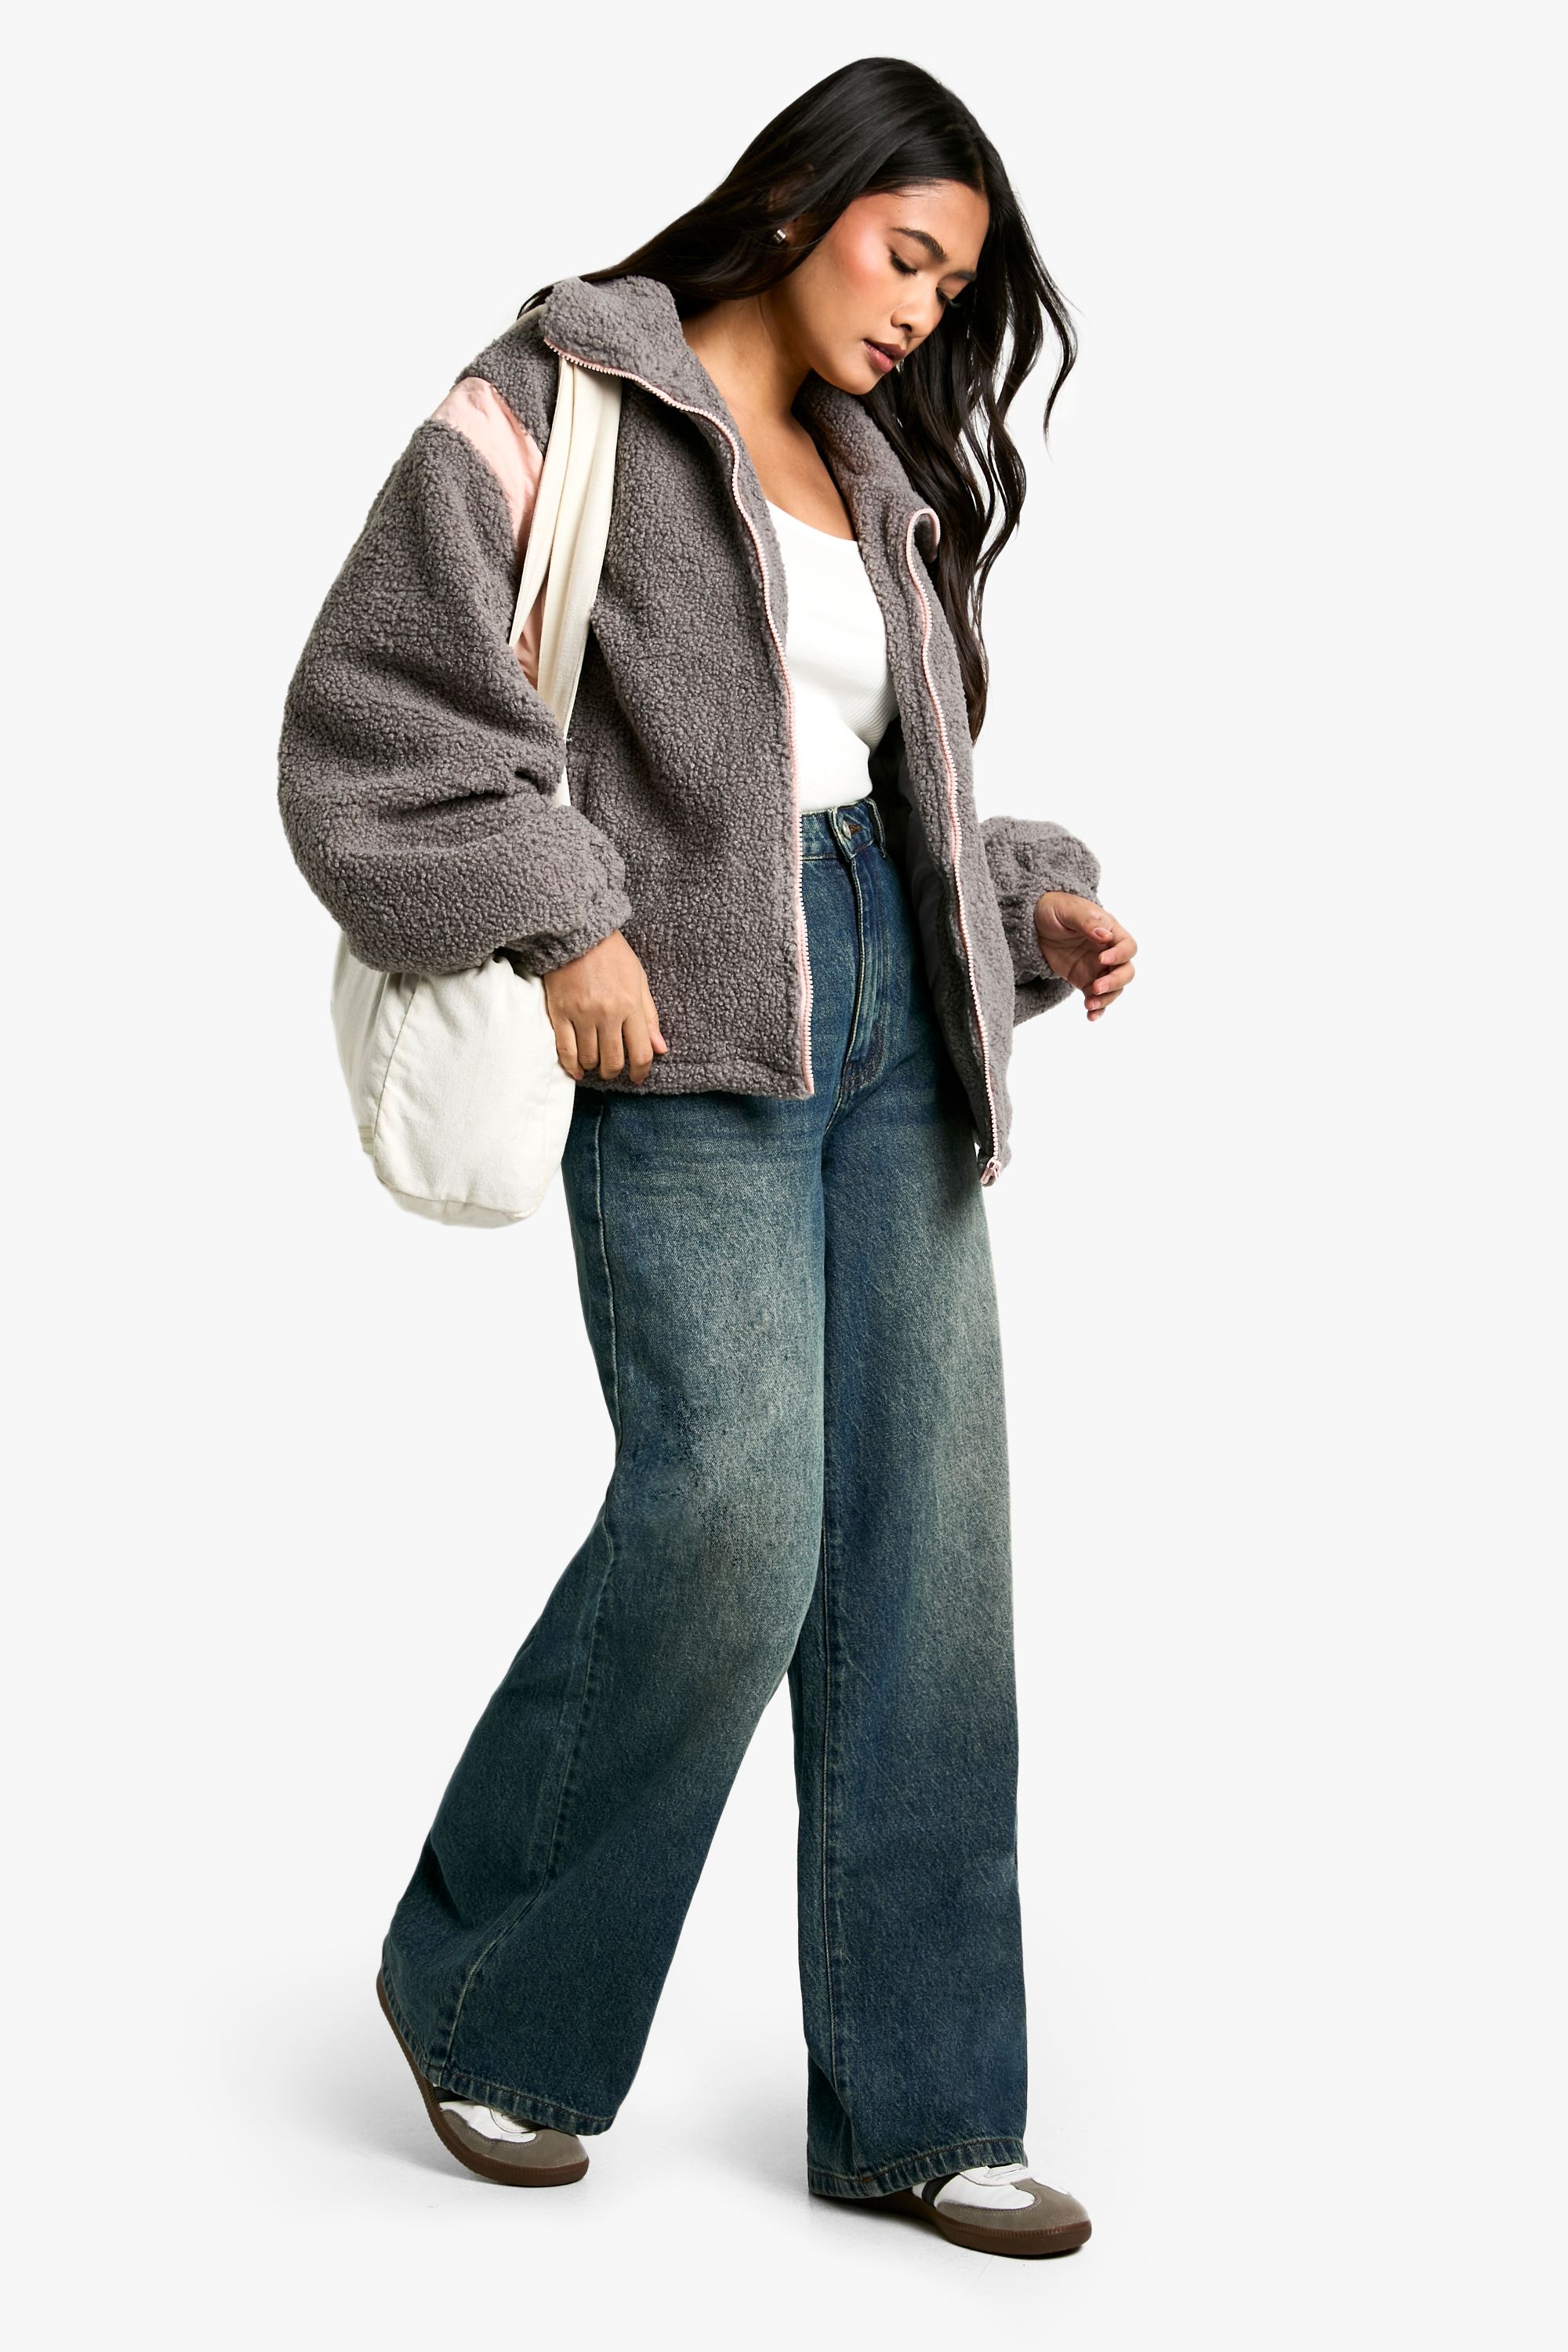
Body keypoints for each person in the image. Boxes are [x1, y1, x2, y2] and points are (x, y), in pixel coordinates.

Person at [278, 55, 1137, 2259]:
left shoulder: (877, 468)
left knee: (928, 1558)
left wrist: (1023, 901)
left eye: (955, 289)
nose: (924, 311)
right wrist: (560, 913)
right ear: (798, 202)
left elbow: (865, 780)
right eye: (908, 255)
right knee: (733, 1514)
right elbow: (376, 706)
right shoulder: (561, 397)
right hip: (682, 1037)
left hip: (896, 1024)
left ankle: (927, 2112)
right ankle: (487, 1995)